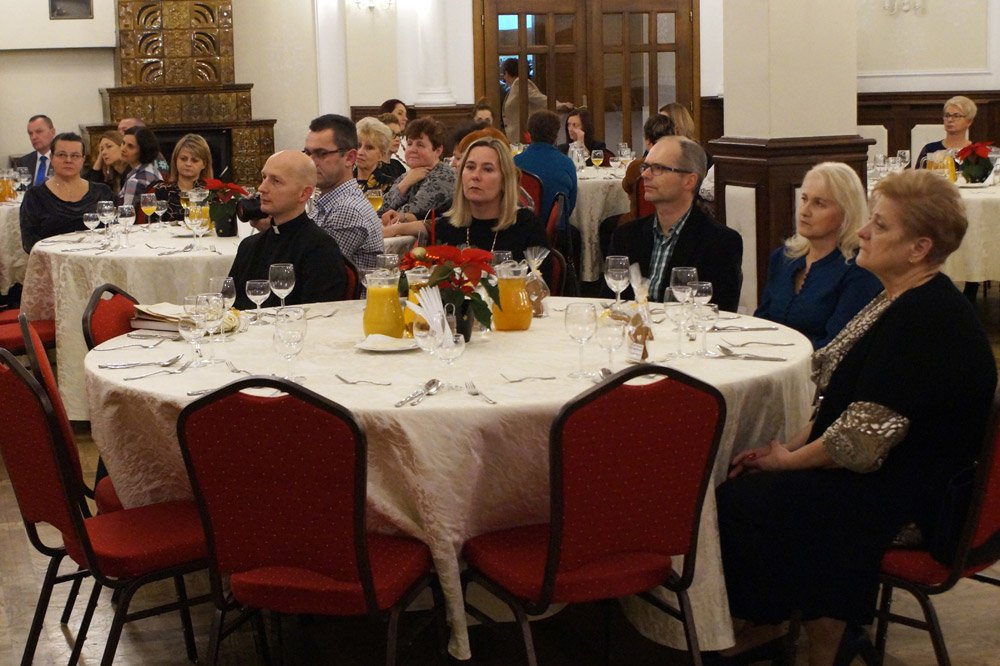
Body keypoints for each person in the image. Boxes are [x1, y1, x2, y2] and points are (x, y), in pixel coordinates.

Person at [716, 169, 996, 665]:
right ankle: (781, 624)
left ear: (919, 248)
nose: (863, 232)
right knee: (751, 482)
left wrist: (786, 462)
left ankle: (811, 637)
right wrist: (785, 449)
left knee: (744, 500)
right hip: (890, 471)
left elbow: (859, 442)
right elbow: (840, 407)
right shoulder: (897, 298)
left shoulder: (927, 319)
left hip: (917, 500)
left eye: (880, 225)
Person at [607, 135, 743, 311]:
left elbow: (719, 313)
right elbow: (610, 305)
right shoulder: (626, 236)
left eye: (657, 168)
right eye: (645, 167)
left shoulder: (720, 243)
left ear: (689, 181)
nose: (644, 175)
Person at [755, 163, 882, 349]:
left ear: (846, 213)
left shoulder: (859, 270)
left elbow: (835, 346)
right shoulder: (783, 257)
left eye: (819, 203)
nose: (804, 211)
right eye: (804, 199)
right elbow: (761, 322)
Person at [228, 151, 346, 310]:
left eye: (275, 181)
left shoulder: (320, 249)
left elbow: (319, 316)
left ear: (303, 194)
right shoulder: (249, 246)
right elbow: (227, 305)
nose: (262, 188)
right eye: (264, 177)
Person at [435, 136, 548, 261]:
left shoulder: (527, 227)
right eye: (470, 167)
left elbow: (541, 273)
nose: (475, 176)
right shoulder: (445, 227)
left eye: (487, 169)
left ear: (505, 179)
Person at [305, 114, 384, 272]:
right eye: (308, 153)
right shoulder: (329, 202)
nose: (311, 162)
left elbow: (313, 269)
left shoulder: (347, 209)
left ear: (349, 158)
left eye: (321, 154)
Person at [19, 132, 114, 252]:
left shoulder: (102, 192)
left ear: (83, 160)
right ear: (51, 158)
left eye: (75, 155)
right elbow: (29, 243)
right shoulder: (35, 196)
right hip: (54, 260)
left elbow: (113, 231)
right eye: (62, 155)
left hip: (97, 257)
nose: (68, 160)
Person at [380, 117, 456, 239]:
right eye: (409, 144)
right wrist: (404, 184)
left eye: (420, 145)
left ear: (438, 151)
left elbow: (413, 211)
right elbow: (381, 210)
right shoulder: (408, 175)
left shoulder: (444, 176)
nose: (412, 150)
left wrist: (403, 185)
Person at [514, 110, 578, 231]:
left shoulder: (514, 163)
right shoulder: (567, 163)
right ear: (556, 135)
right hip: (554, 233)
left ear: (529, 133)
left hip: (519, 230)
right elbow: (570, 205)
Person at [622, 114, 676, 219]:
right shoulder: (680, 165)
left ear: (647, 140)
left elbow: (626, 187)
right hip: (674, 219)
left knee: (606, 224)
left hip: (639, 221)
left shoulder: (637, 166)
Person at [152, 133, 214, 222]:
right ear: (175, 160)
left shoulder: (212, 193)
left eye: (194, 160)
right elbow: (152, 225)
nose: (188, 164)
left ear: (204, 164)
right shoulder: (161, 190)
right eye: (183, 159)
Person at [916, 95, 976, 167]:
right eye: (947, 115)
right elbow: (919, 174)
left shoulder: (977, 151)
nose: (950, 120)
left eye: (956, 116)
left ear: (969, 121)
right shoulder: (930, 149)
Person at [501, 58, 548, 144]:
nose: (504, 78)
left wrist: (560, 105)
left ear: (507, 73)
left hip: (522, 135)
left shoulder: (520, 83)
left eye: (504, 74)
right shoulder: (514, 86)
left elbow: (539, 98)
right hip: (517, 135)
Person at [354, 117, 404, 195]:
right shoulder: (341, 182)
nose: (360, 152)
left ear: (381, 155)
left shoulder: (390, 186)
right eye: (358, 145)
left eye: (369, 148)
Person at [119, 126, 162, 209]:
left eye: (130, 146)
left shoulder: (135, 181)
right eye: (123, 143)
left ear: (143, 151)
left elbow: (127, 214)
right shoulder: (153, 169)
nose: (123, 149)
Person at [17, 115, 55, 187]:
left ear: (52, 132)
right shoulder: (23, 162)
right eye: (30, 133)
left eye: (39, 131)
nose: (33, 137)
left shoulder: (64, 161)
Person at [86, 130, 128, 194]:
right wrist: (100, 157)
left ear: (122, 147)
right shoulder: (111, 178)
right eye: (101, 150)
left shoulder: (132, 174)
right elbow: (91, 189)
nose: (103, 152)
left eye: (109, 146)